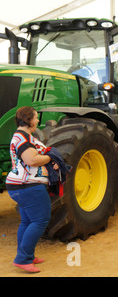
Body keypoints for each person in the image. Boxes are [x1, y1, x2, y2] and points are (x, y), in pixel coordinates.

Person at [6, 106, 59, 273]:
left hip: (19, 185)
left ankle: (27, 255)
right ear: (28, 120)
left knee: (28, 221)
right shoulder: (23, 138)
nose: (37, 121)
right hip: (29, 186)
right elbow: (32, 160)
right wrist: (51, 157)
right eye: (35, 118)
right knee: (40, 220)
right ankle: (23, 259)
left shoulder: (20, 136)